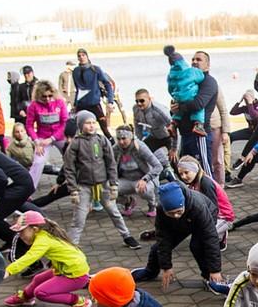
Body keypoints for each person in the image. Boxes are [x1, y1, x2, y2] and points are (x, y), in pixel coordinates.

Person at [62, 111, 140, 249]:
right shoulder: (75, 144)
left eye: (93, 122)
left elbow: (111, 163)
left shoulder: (102, 140)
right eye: (88, 123)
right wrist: (73, 190)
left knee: (114, 212)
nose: (91, 126)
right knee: (79, 217)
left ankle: (126, 235)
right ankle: (72, 245)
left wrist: (114, 184)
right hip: (83, 186)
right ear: (81, 125)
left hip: (103, 184)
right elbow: (69, 168)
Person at [132, 181, 225, 294]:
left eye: (178, 211)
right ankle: (150, 271)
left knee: (197, 246)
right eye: (171, 213)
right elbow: (163, 237)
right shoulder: (161, 209)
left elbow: (211, 238)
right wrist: (166, 266)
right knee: (157, 248)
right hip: (182, 222)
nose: (176, 215)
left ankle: (211, 278)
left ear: (183, 203)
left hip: (205, 216)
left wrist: (215, 270)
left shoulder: (198, 206)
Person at [3, 211, 91, 307]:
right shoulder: (43, 234)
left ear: (34, 229)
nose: (20, 235)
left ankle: (80, 302)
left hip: (75, 275)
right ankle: (26, 297)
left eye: (22, 231)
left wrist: (8, 271)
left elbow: (30, 257)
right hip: (65, 270)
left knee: (41, 292)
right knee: (38, 278)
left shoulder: (43, 240)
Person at [176, 157, 235, 249]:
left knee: (203, 236)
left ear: (195, 170)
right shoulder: (193, 182)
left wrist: (206, 227)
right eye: (181, 174)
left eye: (186, 172)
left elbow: (213, 208)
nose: (183, 176)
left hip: (223, 217)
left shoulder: (205, 183)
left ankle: (220, 237)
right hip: (210, 213)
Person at [112, 125, 162, 218]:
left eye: (124, 138)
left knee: (142, 190)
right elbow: (109, 166)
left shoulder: (140, 147)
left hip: (143, 179)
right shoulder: (115, 149)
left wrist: (145, 179)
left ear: (130, 137)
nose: (121, 142)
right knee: (108, 190)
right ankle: (128, 202)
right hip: (125, 179)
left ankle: (152, 204)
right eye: (118, 139)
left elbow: (158, 166)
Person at [163, 45, 207, 140]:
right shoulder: (191, 71)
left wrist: (175, 95)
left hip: (177, 97)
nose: (194, 62)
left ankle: (173, 124)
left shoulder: (171, 75)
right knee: (198, 110)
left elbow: (170, 88)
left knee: (178, 111)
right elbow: (201, 77)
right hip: (189, 96)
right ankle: (198, 125)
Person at [72, 49, 114, 138]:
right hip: (81, 104)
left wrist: (110, 101)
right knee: (76, 128)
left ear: (87, 56)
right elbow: (77, 89)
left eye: (83, 55)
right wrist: (75, 104)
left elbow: (107, 84)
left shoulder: (95, 69)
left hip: (94, 103)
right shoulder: (75, 71)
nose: (81, 57)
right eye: (79, 56)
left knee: (104, 128)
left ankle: (111, 143)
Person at [25, 80, 70, 154]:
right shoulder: (33, 105)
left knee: (69, 154)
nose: (47, 99)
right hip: (42, 138)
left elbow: (65, 123)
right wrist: (36, 140)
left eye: (50, 96)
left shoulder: (60, 102)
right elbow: (29, 125)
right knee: (38, 158)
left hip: (59, 136)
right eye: (44, 96)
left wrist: (52, 138)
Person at [132, 89, 176, 157]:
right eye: (137, 101)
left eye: (142, 101)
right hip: (154, 137)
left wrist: (174, 149)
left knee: (173, 158)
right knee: (140, 153)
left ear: (149, 99)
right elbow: (138, 128)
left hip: (168, 137)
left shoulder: (159, 110)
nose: (139, 103)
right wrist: (139, 143)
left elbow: (174, 128)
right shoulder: (136, 109)